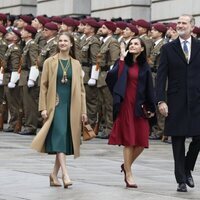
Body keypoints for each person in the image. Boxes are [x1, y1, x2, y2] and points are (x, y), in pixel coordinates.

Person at [31, 32, 87, 188]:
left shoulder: (76, 63)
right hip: (55, 105)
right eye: (60, 41)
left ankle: (53, 174)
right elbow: (43, 86)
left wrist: (83, 111)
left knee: (63, 139)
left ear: (71, 44)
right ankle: (65, 174)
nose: (62, 43)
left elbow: (82, 90)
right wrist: (43, 107)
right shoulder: (50, 61)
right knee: (60, 136)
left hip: (72, 105)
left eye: (65, 41)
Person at [156, 14, 200, 192]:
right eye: (178, 22)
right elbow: (160, 77)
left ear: (192, 26)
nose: (180, 25)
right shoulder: (168, 48)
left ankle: (187, 167)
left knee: (198, 137)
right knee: (178, 139)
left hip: (197, 99)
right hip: (176, 99)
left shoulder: (199, 46)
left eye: (184, 23)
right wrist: (161, 100)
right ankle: (181, 179)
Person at [106, 37, 155, 188]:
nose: (133, 46)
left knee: (141, 141)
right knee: (129, 140)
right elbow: (112, 78)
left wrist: (151, 107)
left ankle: (126, 165)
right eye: (131, 44)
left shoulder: (144, 66)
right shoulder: (123, 63)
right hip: (126, 104)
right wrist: (121, 58)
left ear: (141, 49)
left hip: (139, 106)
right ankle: (128, 173)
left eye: (136, 44)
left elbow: (149, 87)